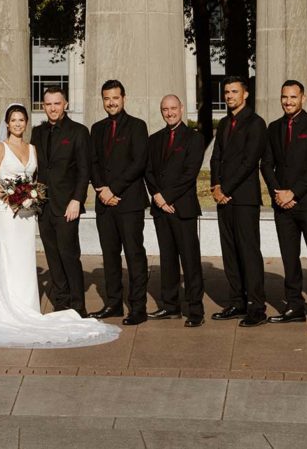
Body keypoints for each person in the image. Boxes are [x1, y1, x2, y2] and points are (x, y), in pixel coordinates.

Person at [0, 104, 118, 348]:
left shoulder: (32, 148)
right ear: (7, 123)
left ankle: (27, 307)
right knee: (8, 258)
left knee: (24, 259)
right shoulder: (0, 148)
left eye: (22, 120)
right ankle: (7, 308)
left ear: (26, 123)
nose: (18, 124)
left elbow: (36, 180)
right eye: (14, 120)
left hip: (27, 214)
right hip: (8, 212)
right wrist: (8, 198)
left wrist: (29, 197)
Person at [260, 79, 307, 329]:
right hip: (282, 205)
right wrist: (277, 193)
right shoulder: (273, 128)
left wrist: (293, 193)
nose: (288, 101)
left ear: (303, 98)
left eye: (293, 97)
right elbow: (266, 165)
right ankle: (294, 306)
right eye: (284, 97)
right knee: (289, 258)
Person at [88, 79, 149, 325]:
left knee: (134, 255)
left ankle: (138, 307)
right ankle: (113, 303)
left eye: (115, 97)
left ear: (124, 98)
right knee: (110, 255)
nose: (111, 102)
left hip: (129, 202)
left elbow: (139, 162)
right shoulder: (97, 128)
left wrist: (114, 189)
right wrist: (102, 189)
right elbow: (92, 162)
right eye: (106, 98)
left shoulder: (137, 126)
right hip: (104, 202)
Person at [209, 75, 267, 326]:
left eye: (234, 92)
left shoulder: (256, 123)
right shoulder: (223, 124)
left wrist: (227, 188)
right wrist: (215, 185)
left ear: (245, 94)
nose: (230, 96)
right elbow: (216, 157)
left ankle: (256, 306)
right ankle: (236, 301)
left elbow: (249, 161)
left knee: (249, 252)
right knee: (230, 251)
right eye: (227, 92)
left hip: (244, 198)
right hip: (224, 198)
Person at [144, 94, 206, 327]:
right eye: (165, 109)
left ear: (181, 109)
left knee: (190, 260)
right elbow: (148, 171)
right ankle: (170, 307)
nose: (169, 113)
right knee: (167, 259)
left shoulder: (194, 138)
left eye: (173, 108)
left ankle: (195, 311)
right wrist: (158, 198)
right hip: (161, 209)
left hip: (182, 208)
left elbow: (190, 173)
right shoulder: (154, 139)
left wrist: (167, 197)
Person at [33, 86, 90, 313]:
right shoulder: (38, 132)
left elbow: (84, 171)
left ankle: (78, 306)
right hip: (43, 205)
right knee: (53, 256)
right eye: (48, 104)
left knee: (69, 255)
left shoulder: (79, 131)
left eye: (57, 103)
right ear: (43, 106)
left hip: (68, 205)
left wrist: (77, 199)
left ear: (65, 104)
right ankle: (61, 302)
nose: (53, 108)